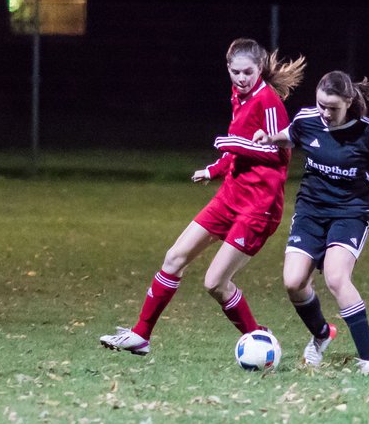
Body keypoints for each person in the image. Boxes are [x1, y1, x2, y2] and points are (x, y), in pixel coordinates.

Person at [99, 38, 306, 355]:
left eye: (247, 72)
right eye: (234, 72)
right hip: (230, 197)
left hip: (258, 209)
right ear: (228, 68)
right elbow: (237, 147)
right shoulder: (239, 95)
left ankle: (259, 339)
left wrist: (232, 145)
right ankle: (141, 335)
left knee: (215, 283)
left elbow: (280, 156)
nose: (240, 78)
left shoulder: (269, 103)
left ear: (260, 70)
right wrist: (215, 169)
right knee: (174, 258)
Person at [254, 70, 369, 374]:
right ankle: (322, 334)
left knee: (337, 278)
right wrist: (270, 137)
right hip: (311, 209)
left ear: (349, 102)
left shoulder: (368, 132)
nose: (325, 113)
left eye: (332, 108)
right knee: (293, 282)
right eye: (321, 105)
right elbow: (292, 135)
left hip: (351, 212)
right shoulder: (307, 119)